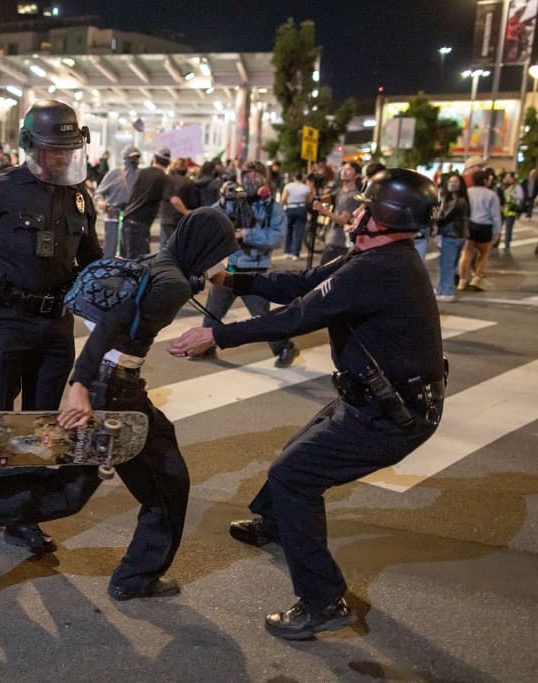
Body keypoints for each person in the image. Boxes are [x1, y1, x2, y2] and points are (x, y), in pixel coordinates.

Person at [168, 168, 445, 640]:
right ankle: (274, 522)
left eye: (363, 206)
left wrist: (215, 334)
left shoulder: (379, 270)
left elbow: (296, 317)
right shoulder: (375, 257)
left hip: (390, 415)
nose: (353, 212)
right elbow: (302, 283)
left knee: (294, 476)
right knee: (299, 452)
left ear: (382, 218)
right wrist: (229, 276)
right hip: (376, 399)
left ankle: (322, 601)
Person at [0, 209, 239, 602]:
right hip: (115, 390)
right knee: (120, 487)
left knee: (91, 486)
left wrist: (221, 277)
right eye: (221, 251)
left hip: (115, 387)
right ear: (205, 247)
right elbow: (114, 324)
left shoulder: (162, 263)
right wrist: (80, 383)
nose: (222, 261)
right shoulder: (173, 284)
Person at [0, 99, 102, 553]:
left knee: (43, 429)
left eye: (68, 148)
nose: (62, 157)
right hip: (4, 321)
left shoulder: (80, 196)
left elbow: (92, 260)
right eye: (53, 149)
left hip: (55, 326)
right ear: (30, 145)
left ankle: (22, 517)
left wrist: (113, 292)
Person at [196, 174, 297, 368]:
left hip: (254, 270)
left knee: (261, 316)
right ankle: (207, 346)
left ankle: (284, 347)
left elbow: (277, 238)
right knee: (213, 311)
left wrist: (247, 234)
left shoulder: (272, 208)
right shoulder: (235, 200)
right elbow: (210, 217)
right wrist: (224, 198)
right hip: (226, 266)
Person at [120, 147, 171, 258]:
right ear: (168, 163)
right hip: (140, 226)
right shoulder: (165, 179)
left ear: (154, 158)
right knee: (138, 264)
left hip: (127, 221)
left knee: (126, 262)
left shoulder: (141, 172)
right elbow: (170, 200)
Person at [93, 146, 140, 257]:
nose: (134, 160)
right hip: (113, 216)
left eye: (137, 157)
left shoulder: (140, 175)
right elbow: (99, 192)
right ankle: (108, 271)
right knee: (110, 248)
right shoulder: (114, 174)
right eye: (132, 157)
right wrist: (100, 201)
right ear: (125, 158)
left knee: (130, 251)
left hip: (131, 218)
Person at [459, 169, 500, 291]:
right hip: (485, 226)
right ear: (485, 180)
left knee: (466, 253)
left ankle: (462, 280)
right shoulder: (491, 195)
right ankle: (476, 278)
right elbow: (496, 216)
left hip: (470, 225)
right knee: (484, 253)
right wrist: (496, 232)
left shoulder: (467, 192)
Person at [313, 162, 361, 264]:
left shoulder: (354, 195)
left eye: (349, 169)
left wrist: (323, 210)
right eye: (343, 168)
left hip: (339, 241)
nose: (344, 171)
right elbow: (322, 200)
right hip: (331, 237)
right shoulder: (339, 191)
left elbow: (343, 220)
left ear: (357, 175)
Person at [434, 173, 469, 302]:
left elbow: (444, 217)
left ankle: (447, 291)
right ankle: (441, 288)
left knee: (446, 265)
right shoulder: (458, 200)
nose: (452, 184)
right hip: (456, 235)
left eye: (455, 182)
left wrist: (434, 216)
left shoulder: (458, 201)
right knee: (448, 264)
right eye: (450, 181)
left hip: (451, 235)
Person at [158, 157, 199, 248]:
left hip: (166, 217)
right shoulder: (189, 182)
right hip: (182, 218)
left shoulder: (165, 179)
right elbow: (193, 202)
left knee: (165, 246)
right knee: (179, 246)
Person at [280, 173, 312, 259]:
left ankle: (287, 251)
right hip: (301, 208)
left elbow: (283, 199)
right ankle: (295, 253)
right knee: (299, 232)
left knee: (288, 230)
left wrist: (286, 204)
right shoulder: (306, 187)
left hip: (290, 208)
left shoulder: (288, 186)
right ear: (302, 178)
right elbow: (309, 200)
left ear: (294, 177)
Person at [497, 171, 523, 255]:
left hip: (511, 211)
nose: (507, 178)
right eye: (506, 177)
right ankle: (495, 243)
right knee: (498, 228)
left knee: (508, 230)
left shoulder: (516, 187)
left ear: (513, 178)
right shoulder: (502, 186)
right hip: (501, 210)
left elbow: (520, 196)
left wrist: (511, 194)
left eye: (509, 177)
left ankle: (506, 245)